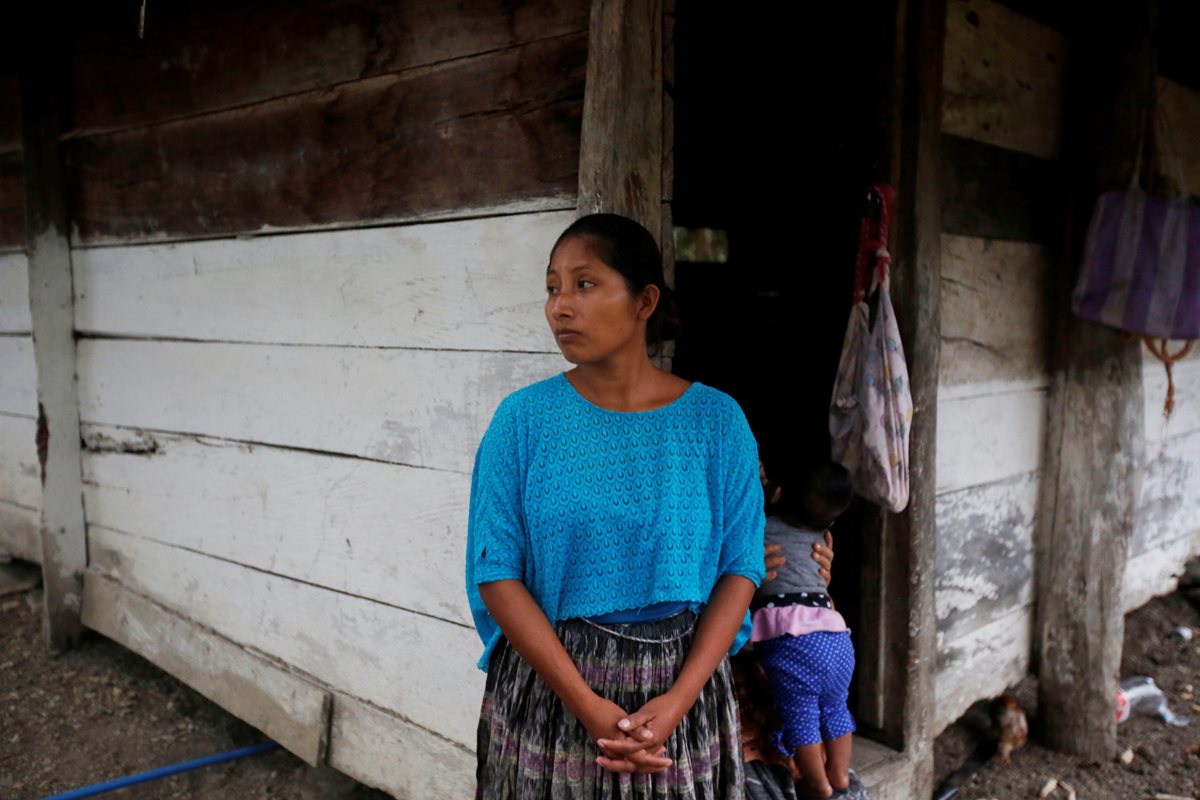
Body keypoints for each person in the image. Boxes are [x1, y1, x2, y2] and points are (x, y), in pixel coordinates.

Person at [465, 213, 767, 799]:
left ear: (644, 300)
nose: (560, 306)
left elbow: (741, 567)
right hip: (554, 692)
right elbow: (495, 572)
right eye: (552, 287)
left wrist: (678, 701)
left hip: (683, 690)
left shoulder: (717, 423)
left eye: (584, 284)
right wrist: (587, 705)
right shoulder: (522, 422)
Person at [748, 461, 857, 799]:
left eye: (765, 479)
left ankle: (817, 784)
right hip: (836, 635)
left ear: (777, 492)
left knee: (802, 714)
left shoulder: (759, 529)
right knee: (836, 706)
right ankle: (839, 776)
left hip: (794, 641)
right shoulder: (821, 536)